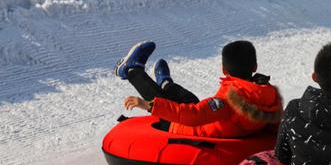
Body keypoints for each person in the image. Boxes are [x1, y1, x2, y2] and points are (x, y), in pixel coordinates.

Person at [115, 40, 283, 137]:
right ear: (255, 67)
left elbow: (193, 116)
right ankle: (166, 84)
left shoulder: (229, 99)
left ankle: (131, 70)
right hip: (221, 125)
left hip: (182, 128)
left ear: (224, 71)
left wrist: (148, 105)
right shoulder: (268, 93)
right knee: (191, 100)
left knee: (168, 104)